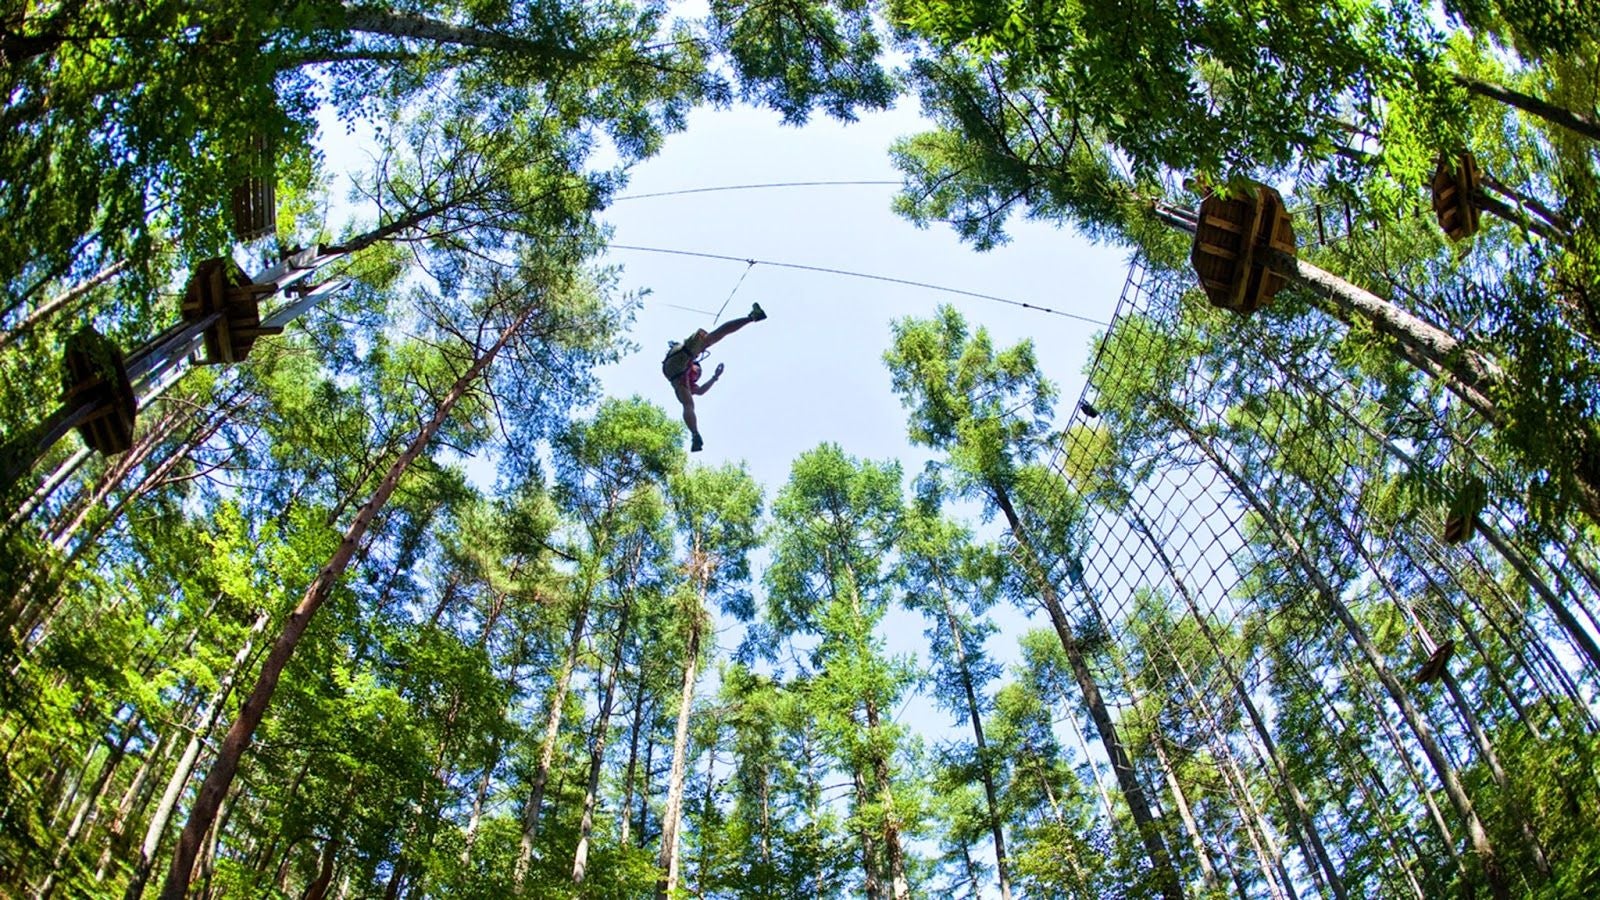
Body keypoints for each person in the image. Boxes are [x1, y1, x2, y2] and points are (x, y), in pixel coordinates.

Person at [662, 303, 767, 451]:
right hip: (678, 359)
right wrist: (714, 376)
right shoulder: (688, 367)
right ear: (695, 366)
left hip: (674, 369)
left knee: (688, 404)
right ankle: (752, 318)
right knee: (714, 337)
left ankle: (695, 434)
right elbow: (699, 390)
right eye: (697, 373)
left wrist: (715, 377)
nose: (696, 375)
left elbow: (700, 391)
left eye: (697, 375)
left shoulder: (685, 382)